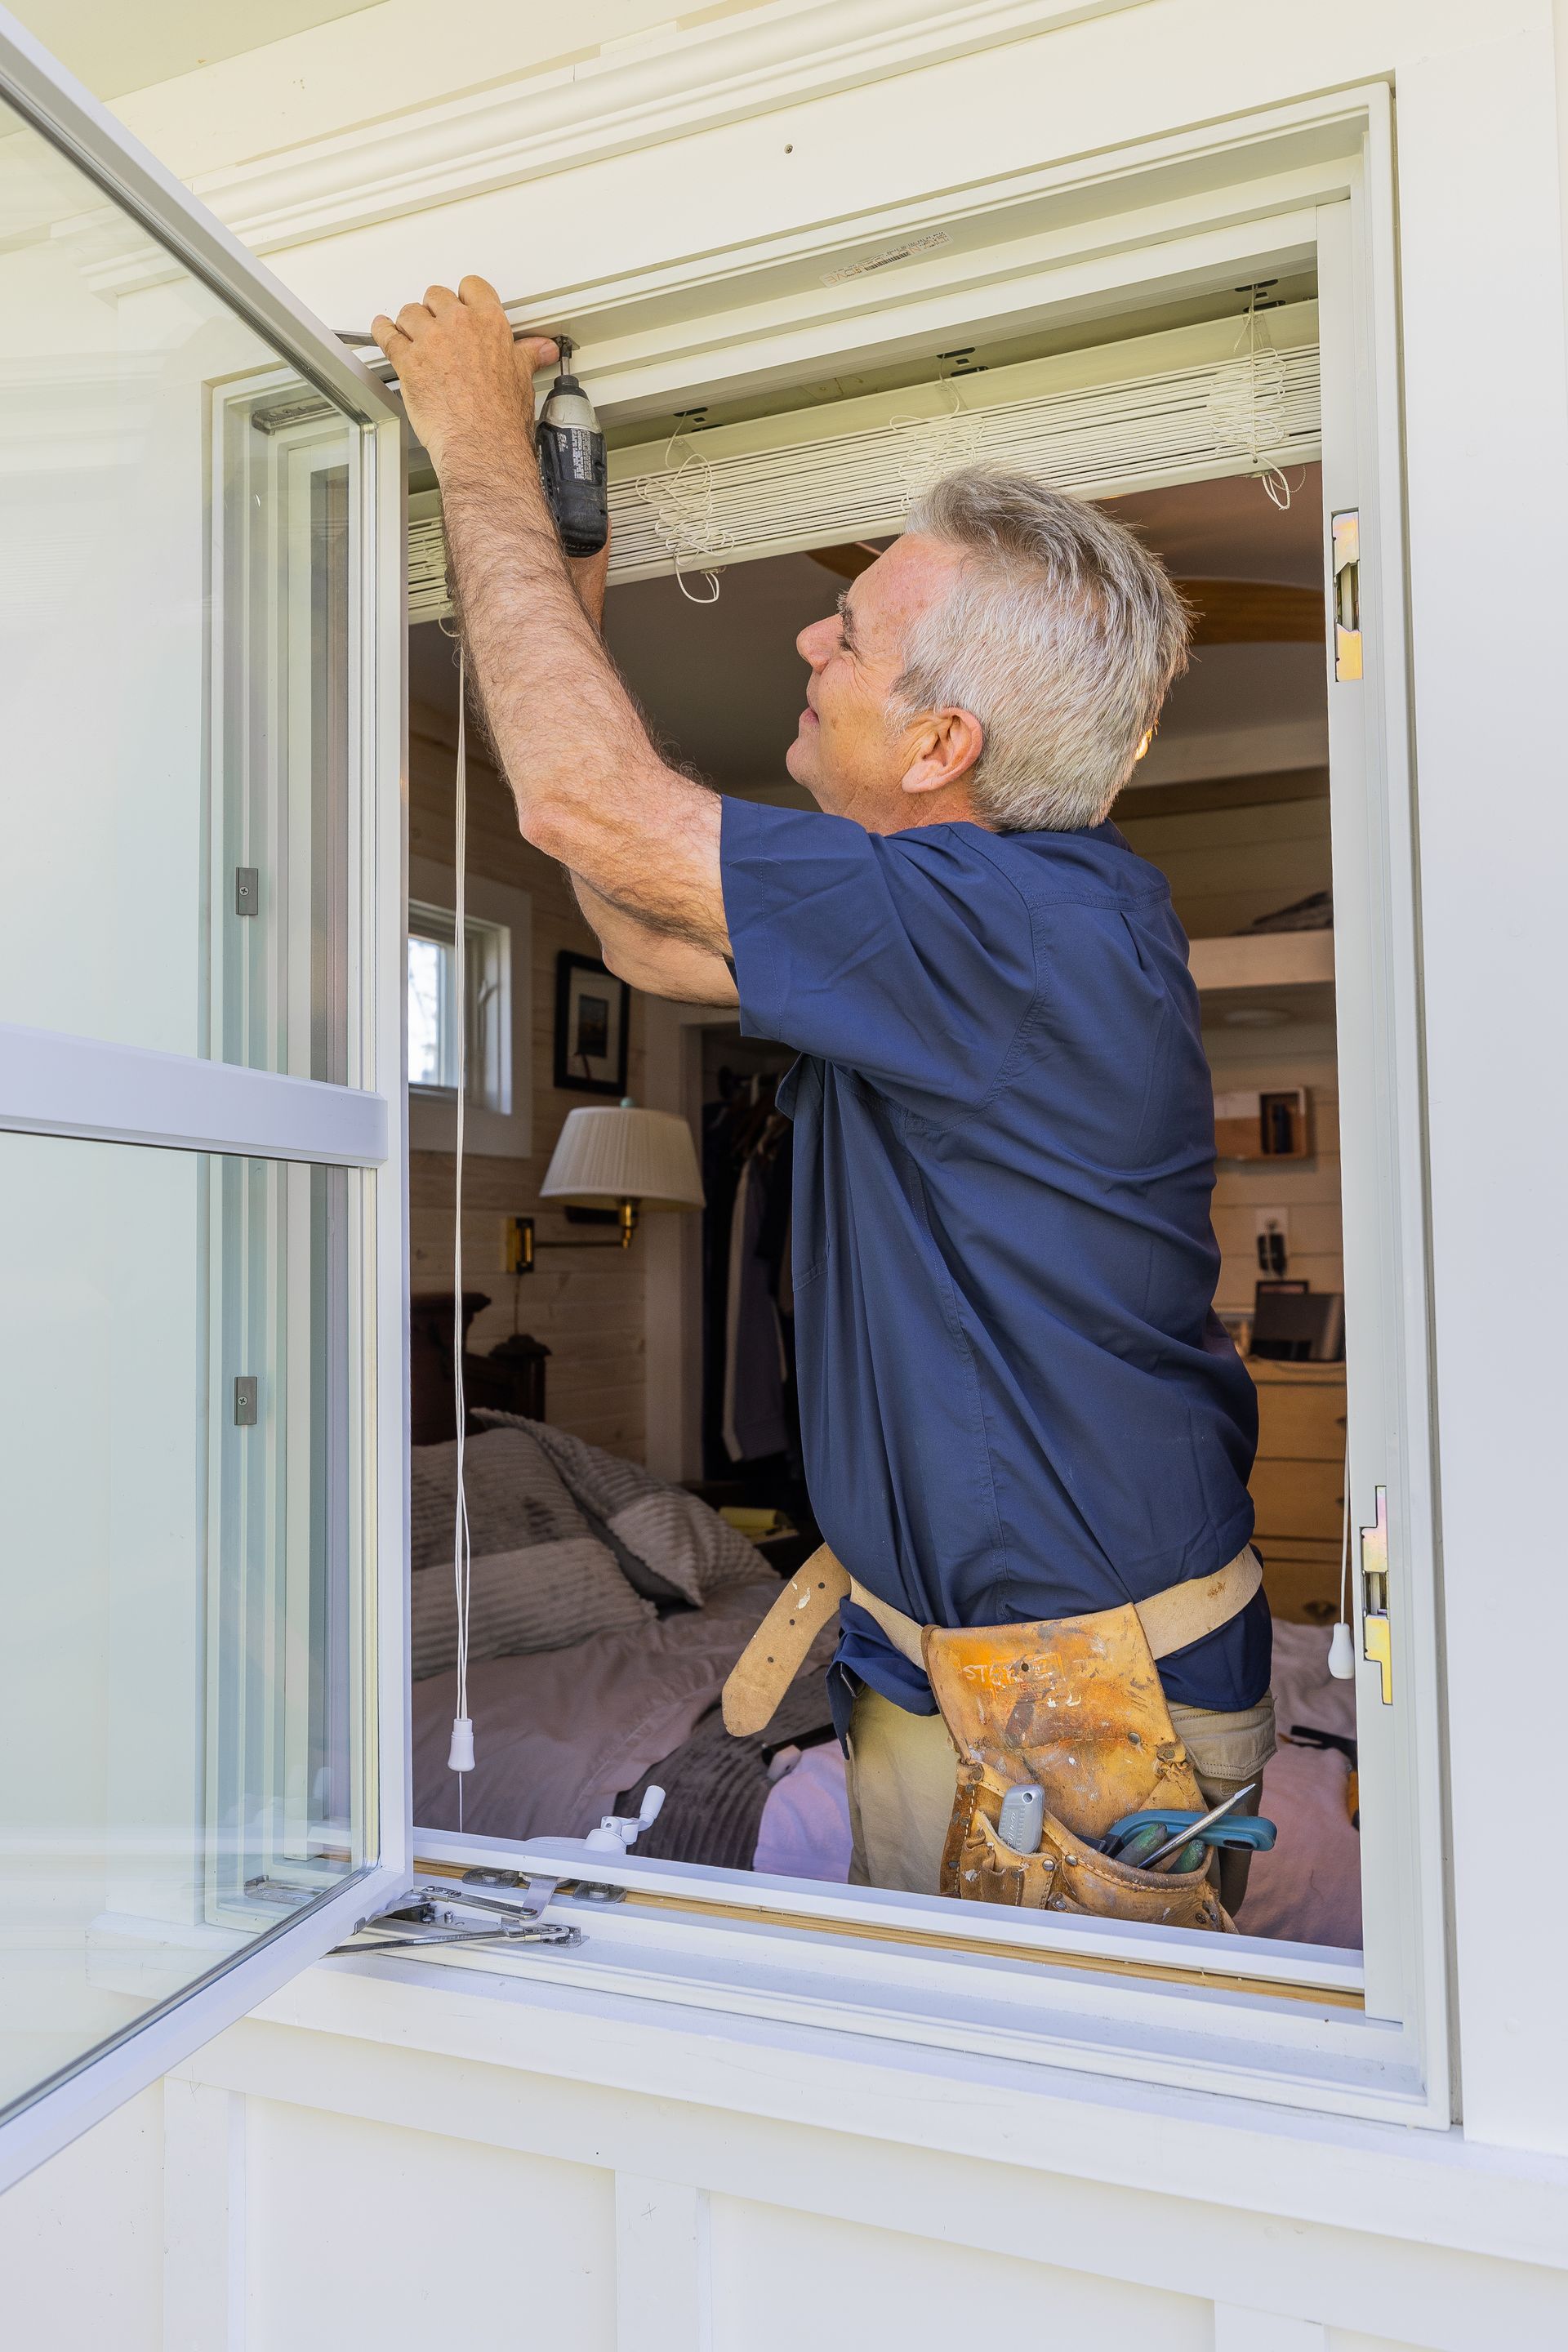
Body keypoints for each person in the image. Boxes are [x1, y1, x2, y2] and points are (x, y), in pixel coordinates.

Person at [372, 276, 1275, 1916]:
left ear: (941, 742)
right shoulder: (978, 934)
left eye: (845, 630)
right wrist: (558, 583)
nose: (805, 636)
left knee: (1034, 2118)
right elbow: (642, 935)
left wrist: (474, 450)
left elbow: (586, 803)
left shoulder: (1023, 927)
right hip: (956, 1658)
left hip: (1078, 1691)